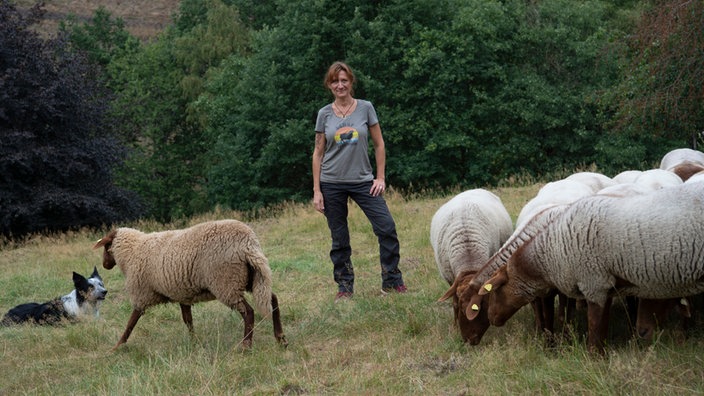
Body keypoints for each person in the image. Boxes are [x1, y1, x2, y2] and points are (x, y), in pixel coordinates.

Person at [312, 61, 406, 302]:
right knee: (339, 238)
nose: (340, 85)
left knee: (386, 227)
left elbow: (379, 144)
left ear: (351, 82)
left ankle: (392, 281)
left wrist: (381, 177)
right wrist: (317, 190)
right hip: (331, 182)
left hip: (363, 181)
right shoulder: (324, 114)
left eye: (344, 80)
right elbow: (318, 153)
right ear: (329, 85)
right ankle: (344, 286)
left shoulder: (365, 108)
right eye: (335, 81)